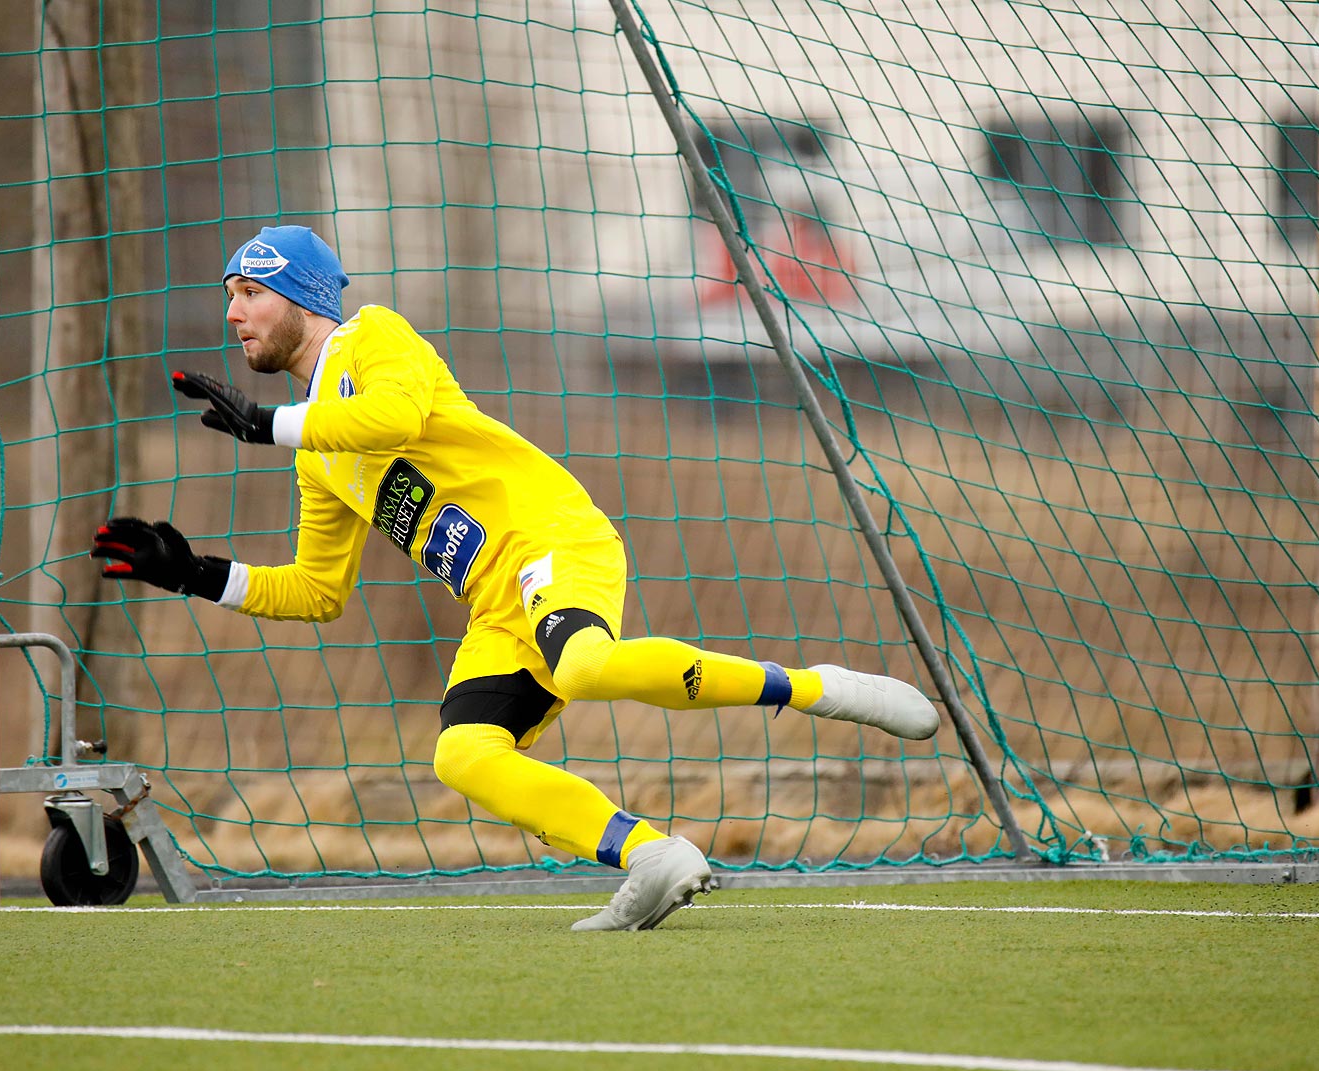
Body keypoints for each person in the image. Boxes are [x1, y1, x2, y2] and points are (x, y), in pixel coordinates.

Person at [91, 224, 941, 932]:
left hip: (553, 538)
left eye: (250, 293)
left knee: (583, 665)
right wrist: (194, 573)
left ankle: (811, 688)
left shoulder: (373, 338)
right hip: (497, 603)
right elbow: (318, 593)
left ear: (305, 299)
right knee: (463, 754)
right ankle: (651, 854)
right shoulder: (316, 459)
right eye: (230, 295)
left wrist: (268, 424)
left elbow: (394, 417)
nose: (233, 313)